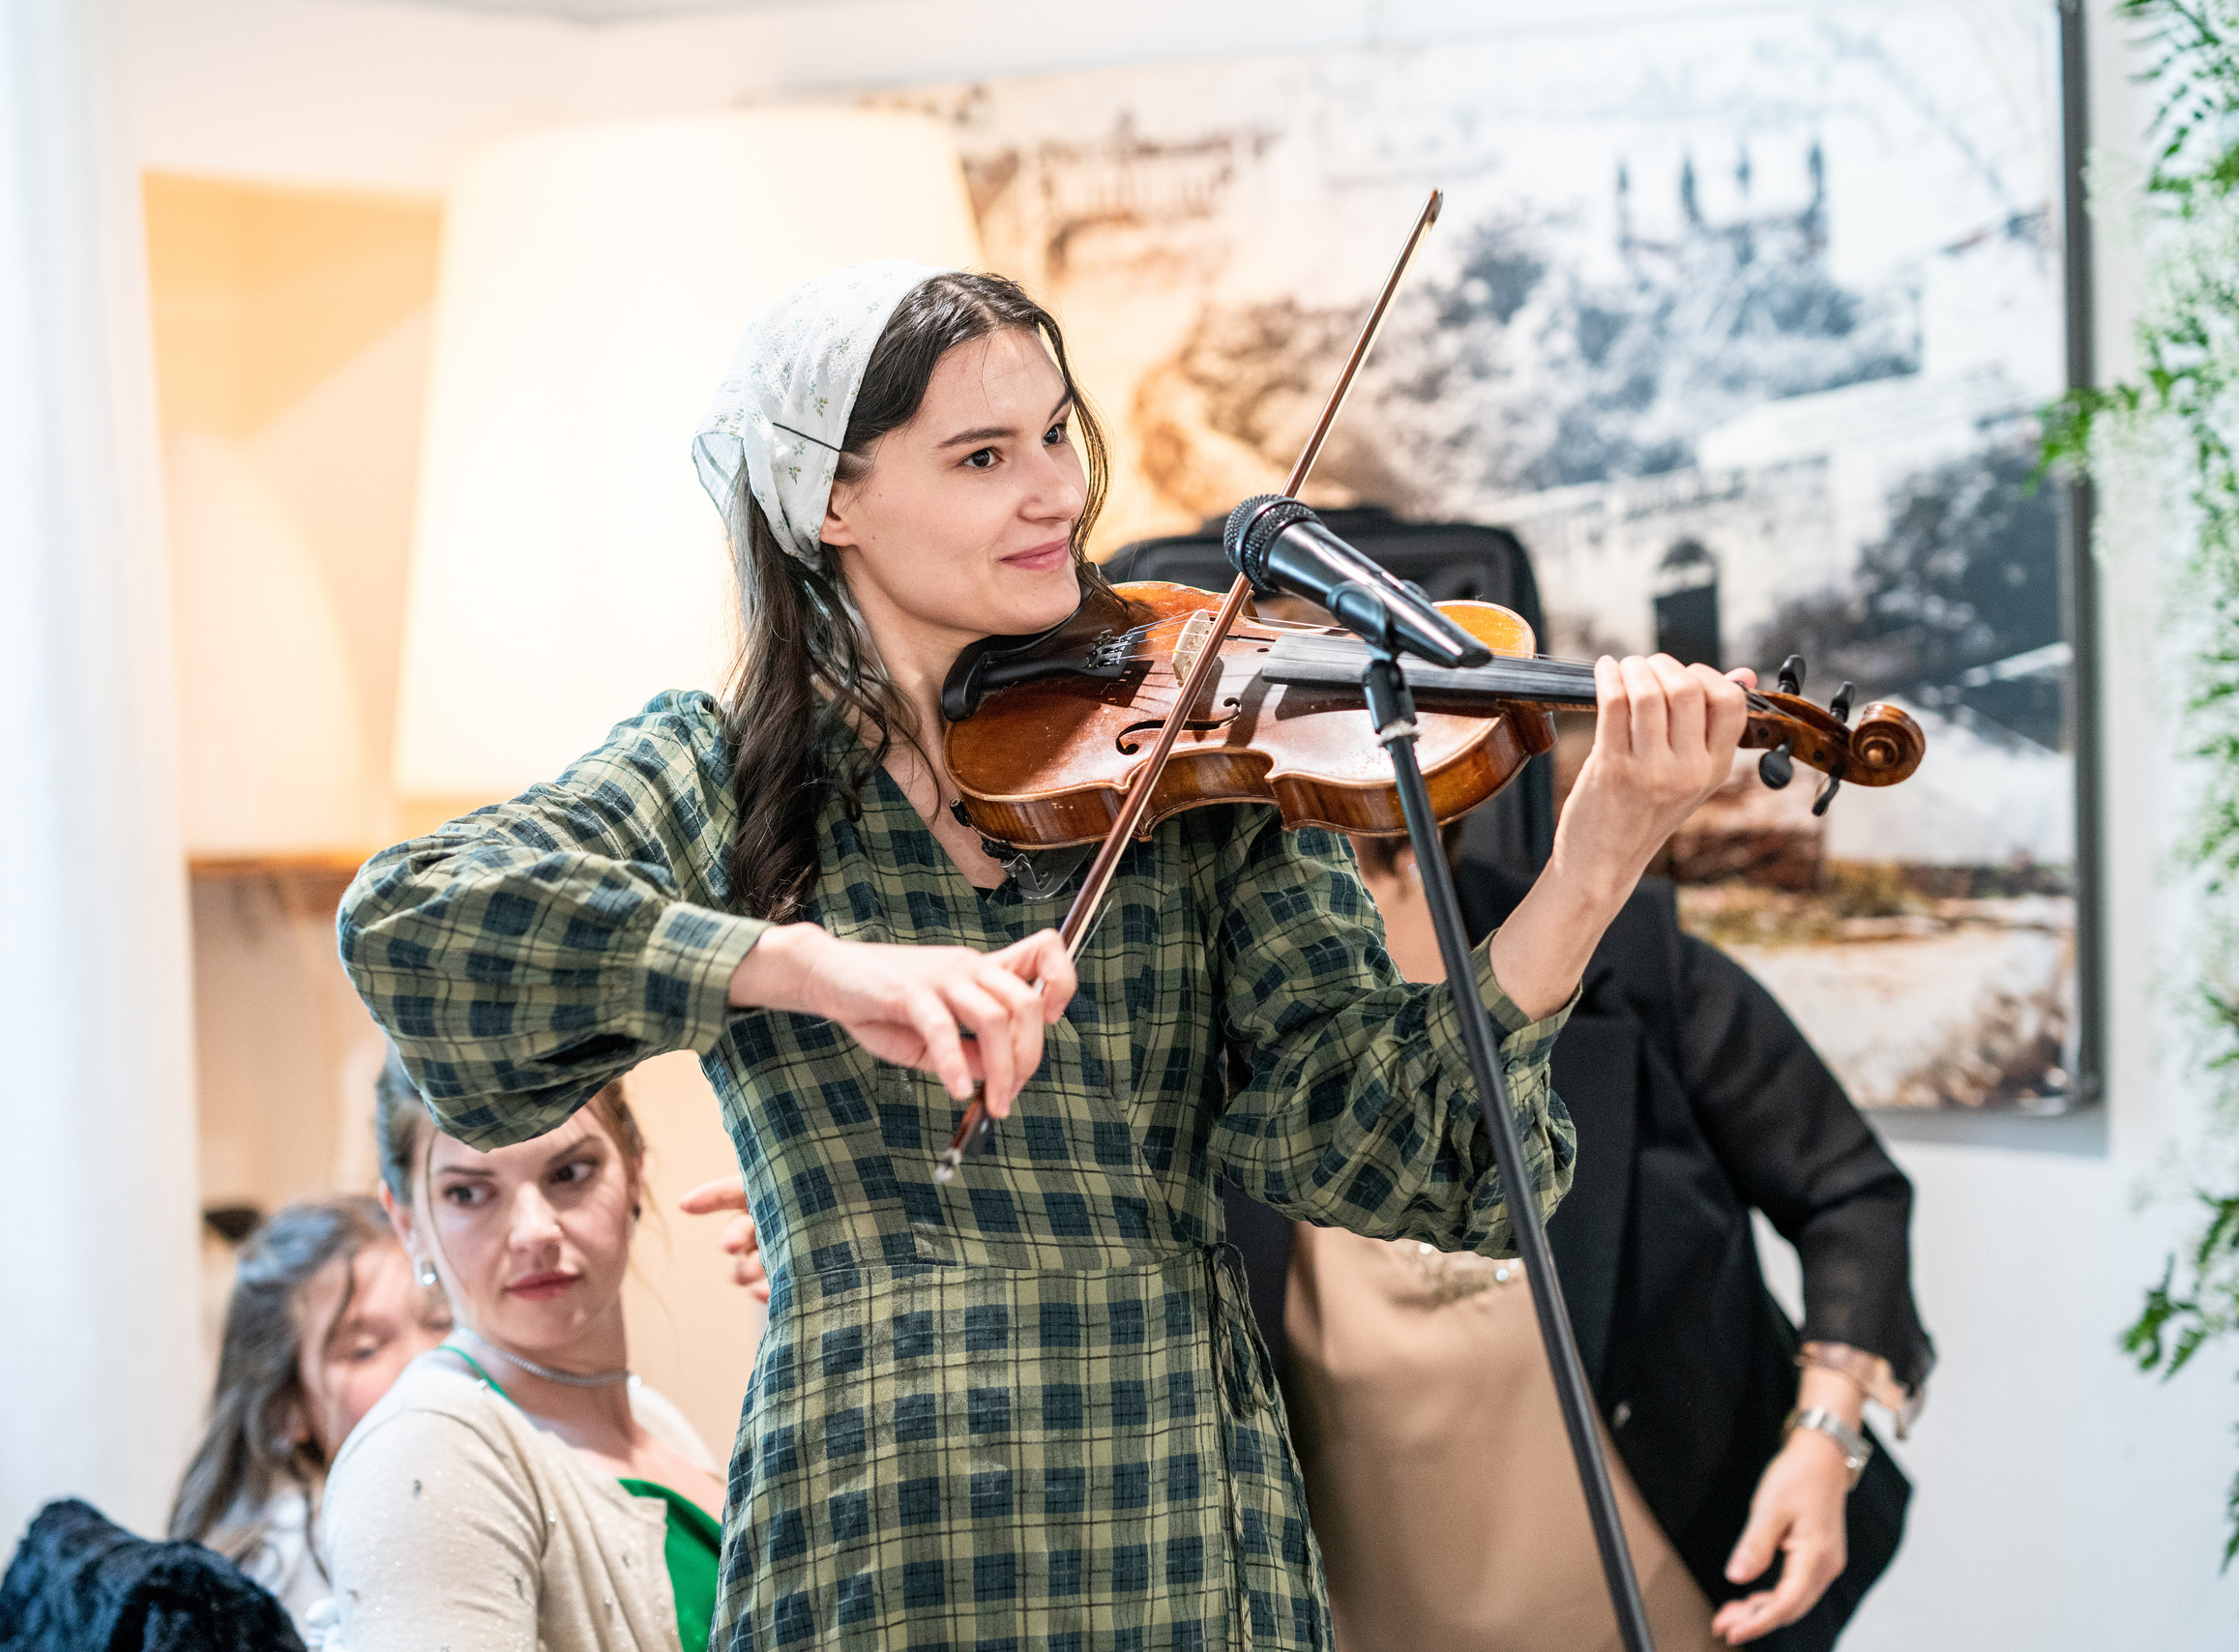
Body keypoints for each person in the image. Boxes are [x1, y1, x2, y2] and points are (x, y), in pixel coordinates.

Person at [335, 258, 1753, 1649]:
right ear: (833, 500)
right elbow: (418, 920)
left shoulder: (1194, 737)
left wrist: (1595, 860)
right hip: (875, 1527)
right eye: (981, 455)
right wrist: (813, 967)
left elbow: (1422, 1152)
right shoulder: (724, 770)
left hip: (1183, 1525)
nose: (1058, 491)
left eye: (1060, 433)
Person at [1224, 827, 1930, 1652]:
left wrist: (1826, 1435)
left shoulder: (1626, 959)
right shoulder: (1205, 1034)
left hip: (1688, 1610)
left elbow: (1848, 1192)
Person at [317, 1067, 723, 1649]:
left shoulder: (655, 1419)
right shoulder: (428, 1452)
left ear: (635, 1170)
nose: (534, 1233)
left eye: (570, 1173)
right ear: (408, 1223)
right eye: (469, 1193)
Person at [167, 1196, 450, 1623]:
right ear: (286, 1409)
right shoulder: (272, 1580)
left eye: (442, 1322)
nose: (425, 1358)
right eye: (365, 1350)